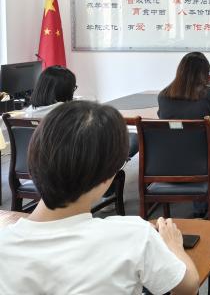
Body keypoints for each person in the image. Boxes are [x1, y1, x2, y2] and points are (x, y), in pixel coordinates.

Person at [0, 101, 199, 295]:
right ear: (106, 177)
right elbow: (189, 286)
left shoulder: (4, 244)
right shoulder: (135, 236)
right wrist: (174, 246)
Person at [158, 51, 210, 216]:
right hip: (202, 166)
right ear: (205, 73)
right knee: (201, 155)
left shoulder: (163, 95)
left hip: (165, 165)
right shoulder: (208, 94)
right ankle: (201, 210)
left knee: (188, 151)